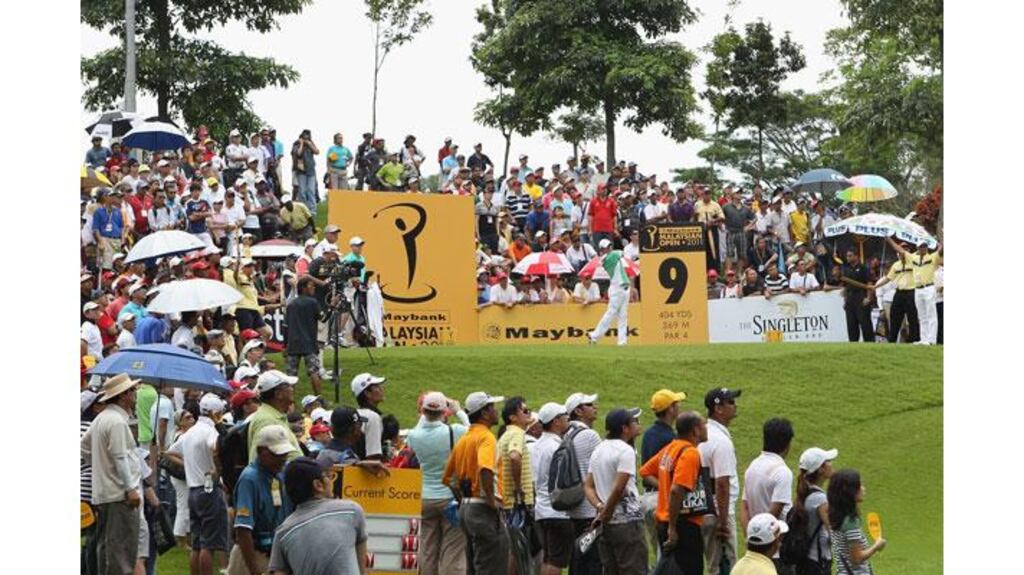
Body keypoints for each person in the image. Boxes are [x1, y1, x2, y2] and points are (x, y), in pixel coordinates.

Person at [80, 374, 143, 575]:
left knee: (106, 549)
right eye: (132, 390)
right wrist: (130, 489)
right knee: (121, 553)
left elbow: (84, 448)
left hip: (105, 494)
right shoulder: (116, 421)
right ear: (123, 395)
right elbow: (120, 457)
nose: (135, 393)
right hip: (119, 495)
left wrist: (101, 468)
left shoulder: (102, 418)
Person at [442, 392, 510, 575]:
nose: (496, 411)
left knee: (474, 567)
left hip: (467, 508)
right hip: (483, 510)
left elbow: (448, 478)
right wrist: (490, 500)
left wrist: (464, 498)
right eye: (492, 407)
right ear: (485, 413)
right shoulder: (486, 438)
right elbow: (485, 468)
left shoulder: (464, 439)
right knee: (491, 567)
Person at [164, 394, 230, 575]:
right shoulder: (210, 431)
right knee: (208, 544)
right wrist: (217, 469)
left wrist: (188, 464)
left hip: (193, 490)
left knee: (197, 544)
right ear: (215, 413)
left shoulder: (189, 432)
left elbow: (169, 452)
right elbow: (216, 448)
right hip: (208, 489)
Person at [638, 411, 709, 575]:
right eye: (704, 424)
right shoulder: (690, 453)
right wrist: (672, 527)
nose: (706, 428)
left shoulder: (671, 448)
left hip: (664, 521)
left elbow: (645, 471)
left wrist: (666, 486)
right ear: (695, 431)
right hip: (683, 524)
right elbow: (677, 491)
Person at [406, 392, 469, 575]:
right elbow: (474, 433)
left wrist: (427, 408)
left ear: (423, 411)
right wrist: (459, 411)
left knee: (427, 548)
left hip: (424, 498)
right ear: (445, 412)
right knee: (453, 549)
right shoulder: (453, 431)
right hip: (450, 497)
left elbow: (420, 426)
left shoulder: (413, 435)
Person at [584, 407, 648, 575]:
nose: (638, 424)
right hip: (627, 523)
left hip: (606, 524)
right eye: (634, 422)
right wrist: (607, 511)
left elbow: (588, 486)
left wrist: (600, 507)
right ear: (624, 428)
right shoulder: (625, 450)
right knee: (634, 570)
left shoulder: (598, 449)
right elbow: (620, 487)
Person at [228, 425, 295, 575]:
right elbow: (243, 530)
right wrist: (254, 571)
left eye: (285, 454)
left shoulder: (282, 474)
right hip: (255, 556)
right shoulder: (249, 479)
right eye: (277, 454)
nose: (282, 459)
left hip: (277, 556)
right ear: (260, 451)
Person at [743, 418, 795, 574]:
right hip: (775, 551)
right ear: (787, 444)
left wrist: (751, 536)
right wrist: (763, 537)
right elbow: (774, 513)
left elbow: (744, 507)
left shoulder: (752, 466)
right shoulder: (782, 472)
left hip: (756, 548)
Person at [699, 387, 742, 575]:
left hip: (704, 508)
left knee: (714, 566)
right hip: (719, 511)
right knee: (726, 566)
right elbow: (722, 484)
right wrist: (723, 522)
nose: (735, 405)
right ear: (718, 409)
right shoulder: (720, 441)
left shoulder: (703, 433)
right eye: (731, 402)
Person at [563, 391, 604, 575]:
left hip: (574, 508)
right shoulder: (590, 436)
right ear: (578, 411)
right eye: (589, 404)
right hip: (591, 508)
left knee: (578, 560)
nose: (595, 407)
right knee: (593, 562)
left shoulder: (567, 434)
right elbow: (601, 469)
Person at [531, 403, 574, 575]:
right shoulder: (557, 446)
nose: (568, 418)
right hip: (557, 511)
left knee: (548, 558)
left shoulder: (538, 444)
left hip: (541, 509)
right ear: (556, 421)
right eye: (565, 415)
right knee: (556, 561)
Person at [828, 469, 886, 575]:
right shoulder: (851, 522)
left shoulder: (836, 516)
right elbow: (856, 559)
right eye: (859, 486)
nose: (863, 489)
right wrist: (876, 546)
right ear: (850, 492)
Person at [791, 447, 838, 575]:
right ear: (821, 469)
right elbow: (835, 532)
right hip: (817, 563)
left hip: (806, 561)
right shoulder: (820, 499)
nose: (831, 463)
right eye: (828, 461)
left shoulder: (806, 493)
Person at [889, 237, 942, 345]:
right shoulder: (914, 258)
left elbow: (941, 250)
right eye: (921, 246)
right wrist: (888, 238)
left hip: (928, 287)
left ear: (927, 248)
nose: (923, 248)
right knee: (922, 315)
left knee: (931, 314)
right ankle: (924, 339)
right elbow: (900, 250)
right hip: (918, 289)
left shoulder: (932, 258)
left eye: (924, 246)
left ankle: (931, 340)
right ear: (918, 248)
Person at [247, 371, 302, 463]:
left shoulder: (274, 415)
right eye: (289, 386)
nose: (292, 389)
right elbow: (262, 461)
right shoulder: (266, 421)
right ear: (278, 394)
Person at [871, 243, 920, 343]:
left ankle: (914, 340)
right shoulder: (895, 265)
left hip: (911, 292)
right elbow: (888, 278)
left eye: (905, 251)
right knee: (894, 318)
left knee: (912, 319)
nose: (902, 253)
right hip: (899, 293)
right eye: (900, 251)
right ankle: (892, 340)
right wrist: (875, 286)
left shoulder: (914, 261)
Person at [588, 238, 631, 346]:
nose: (610, 248)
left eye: (610, 246)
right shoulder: (609, 257)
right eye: (607, 247)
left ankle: (622, 342)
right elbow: (622, 252)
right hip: (617, 289)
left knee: (623, 316)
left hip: (624, 288)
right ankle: (594, 335)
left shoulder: (612, 255)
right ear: (602, 250)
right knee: (611, 313)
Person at [285, 276, 324, 395]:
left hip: (293, 344)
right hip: (309, 344)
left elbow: (286, 326)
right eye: (311, 285)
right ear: (303, 288)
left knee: (291, 376)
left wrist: (284, 346)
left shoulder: (290, 305)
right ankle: (319, 398)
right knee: (314, 372)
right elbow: (322, 317)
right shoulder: (312, 302)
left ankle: (289, 401)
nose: (313, 288)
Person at [838, 248, 874, 342]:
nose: (848, 258)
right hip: (850, 297)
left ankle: (869, 343)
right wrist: (845, 299)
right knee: (851, 323)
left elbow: (869, 283)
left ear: (856, 256)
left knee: (864, 322)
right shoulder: (846, 269)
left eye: (850, 256)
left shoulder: (863, 268)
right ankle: (853, 343)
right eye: (847, 256)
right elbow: (846, 286)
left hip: (861, 296)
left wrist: (868, 298)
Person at [351, 372, 387, 460]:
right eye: (377, 386)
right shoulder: (373, 417)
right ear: (367, 393)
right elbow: (373, 455)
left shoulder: (354, 414)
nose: (381, 389)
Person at [292, 129, 320, 212]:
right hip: (301, 172)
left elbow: (317, 152)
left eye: (308, 135)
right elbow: (298, 153)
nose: (306, 137)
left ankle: (312, 210)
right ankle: (303, 209)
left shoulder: (310, 144)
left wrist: (309, 144)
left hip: (311, 171)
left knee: (311, 191)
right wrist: (301, 143)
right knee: (302, 192)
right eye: (305, 135)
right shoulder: (296, 144)